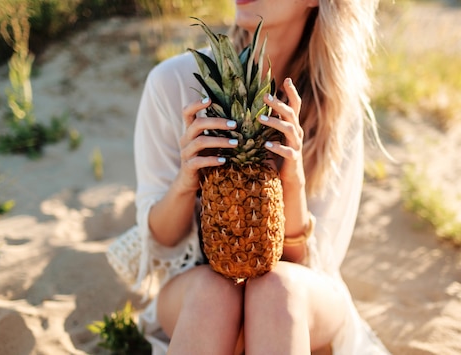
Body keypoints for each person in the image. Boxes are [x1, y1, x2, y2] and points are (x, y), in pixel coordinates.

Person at [131, 0, 390, 353]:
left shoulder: (337, 109)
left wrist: (291, 177)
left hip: (298, 301)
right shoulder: (172, 83)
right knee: (214, 293)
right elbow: (159, 242)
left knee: (276, 290)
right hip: (195, 292)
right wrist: (186, 181)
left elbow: (312, 265)